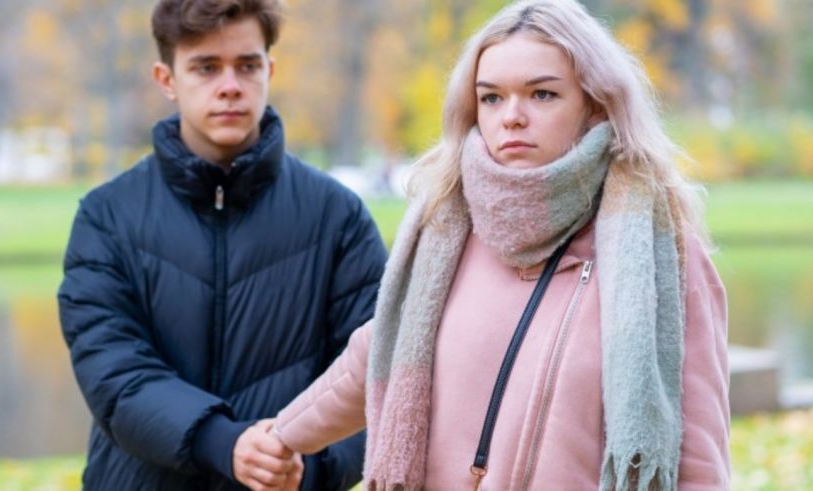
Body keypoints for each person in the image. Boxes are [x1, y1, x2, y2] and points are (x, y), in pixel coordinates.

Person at [260, 0, 731, 489]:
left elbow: (698, 456)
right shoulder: (446, 229)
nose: (512, 117)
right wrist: (281, 435)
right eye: (491, 98)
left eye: (542, 94)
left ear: (594, 102)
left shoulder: (658, 256)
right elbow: (377, 354)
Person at [57, 0, 387, 489]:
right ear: (166, 79)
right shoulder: (106, 217)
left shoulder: (338, 217)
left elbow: (380, 374)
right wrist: (221, 442)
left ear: (269, 70)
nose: (230, 85)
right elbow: (115, 375)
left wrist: (307, 469)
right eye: (206, 67)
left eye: (247, 66)